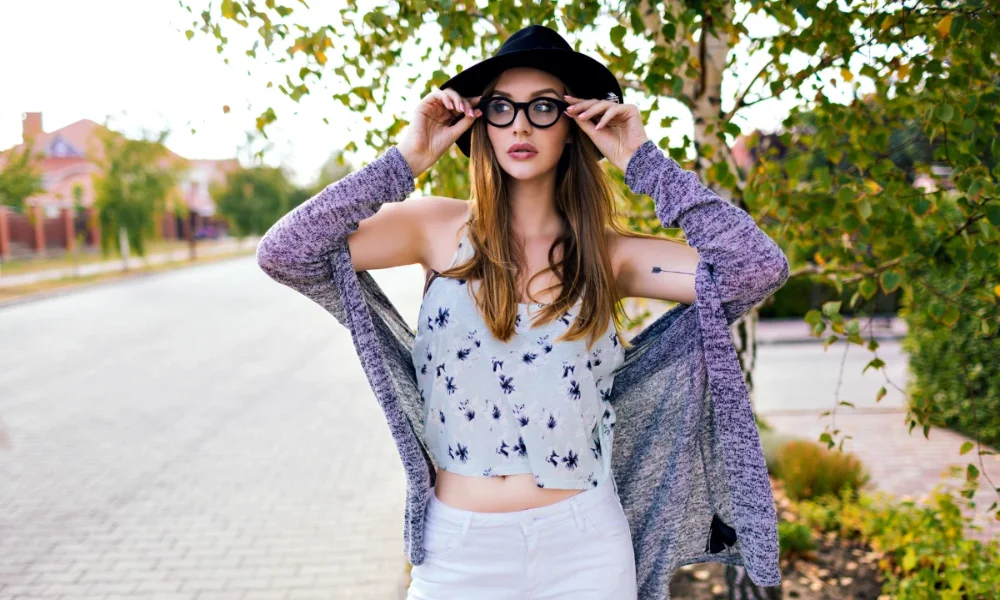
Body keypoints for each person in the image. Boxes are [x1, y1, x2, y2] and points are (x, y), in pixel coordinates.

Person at [257, 23, 788, 600]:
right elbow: (285, 253)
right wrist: (407, 159)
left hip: (585, 544)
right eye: (502, 107)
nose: (520, 125)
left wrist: (642, 159)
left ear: (576, 124)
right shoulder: (435, 229)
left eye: (543, 108)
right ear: (480, 122)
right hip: (459, 551)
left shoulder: (609, 257)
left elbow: (754, 269)